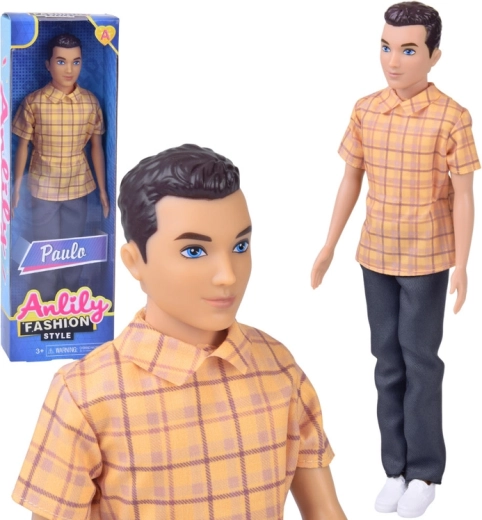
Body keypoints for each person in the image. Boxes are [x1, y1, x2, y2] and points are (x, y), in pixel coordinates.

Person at [14, 144, 347, 520]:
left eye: (240, 246)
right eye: (194, 251)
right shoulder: (85, 395)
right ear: (134, 261)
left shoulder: (279, 368)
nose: (227, 276)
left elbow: (325, 511)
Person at [311, 2, 479, 517]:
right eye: (385, 47)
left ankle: (425, 472)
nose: (393, 61)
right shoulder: (366, 110)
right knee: (386, 361)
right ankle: (395, 468)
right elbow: (350, 180)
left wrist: (462, 263)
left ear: (434, 56)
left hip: (427, 258)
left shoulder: (451, 117)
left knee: (420, 361)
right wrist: (329, 244)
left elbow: (464, 195)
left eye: (408, 50)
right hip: (376, 254)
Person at [12, 33, 109, 301]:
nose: (69, 69)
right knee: (45, 246)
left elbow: (96, 147)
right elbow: (23, 147)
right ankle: (43, 301)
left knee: (73, 245)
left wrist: (102, 190)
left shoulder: (89, 102)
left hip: (78, 185)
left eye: (76, 62)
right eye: (61, 61)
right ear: (48, 64)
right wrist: (16, 187)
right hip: (42, 186)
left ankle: (70, 300)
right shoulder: (34, 102)